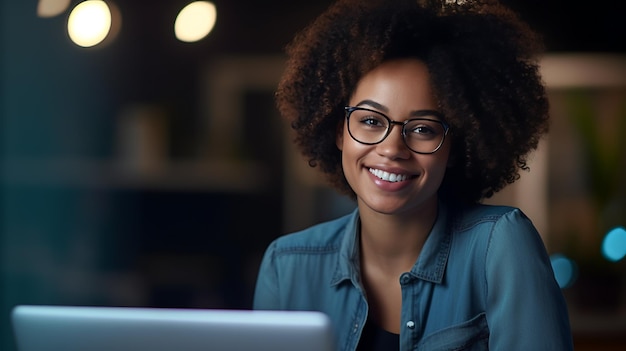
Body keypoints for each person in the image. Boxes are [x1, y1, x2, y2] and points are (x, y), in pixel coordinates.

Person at [253, 0, 574, 350]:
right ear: (338, 131)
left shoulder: (499, 247)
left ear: (455, 146)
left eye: (423, 129)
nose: (392, 149)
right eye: (371, 121)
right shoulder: (287, 267)